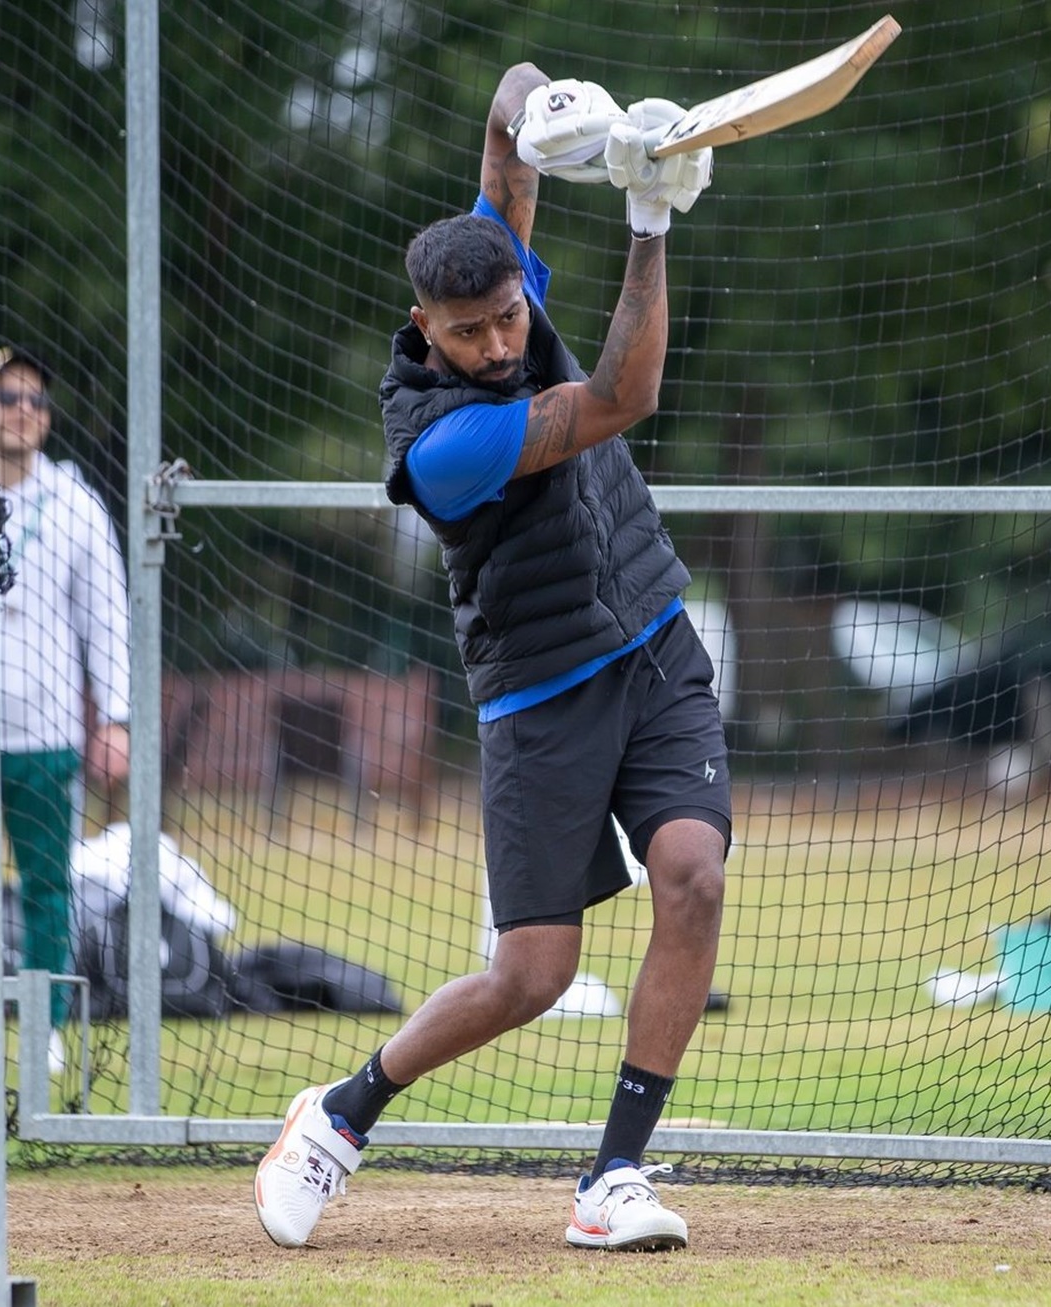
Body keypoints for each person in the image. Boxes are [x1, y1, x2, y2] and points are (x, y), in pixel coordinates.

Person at [255, 63, 729, 1253]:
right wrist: (648, 218)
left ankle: (613, 1175)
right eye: (469, 332)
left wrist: (577, 118)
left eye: (511, 315)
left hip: (655, 642)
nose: (501, 341)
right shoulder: (445, 445)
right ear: (426, 328)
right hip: (540, 694)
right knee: (530, 974)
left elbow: (508, 114)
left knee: (695, 874)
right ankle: (343, 1112)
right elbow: (624, 392)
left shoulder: (497, 281)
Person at [0, 344, 132, 1073]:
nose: (22, 412)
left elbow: (106, 615)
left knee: (48, 883)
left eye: (34, 401)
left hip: (44, 733)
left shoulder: (74, 501)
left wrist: (113, 716)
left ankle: (41, 1028)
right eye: (7, 397)